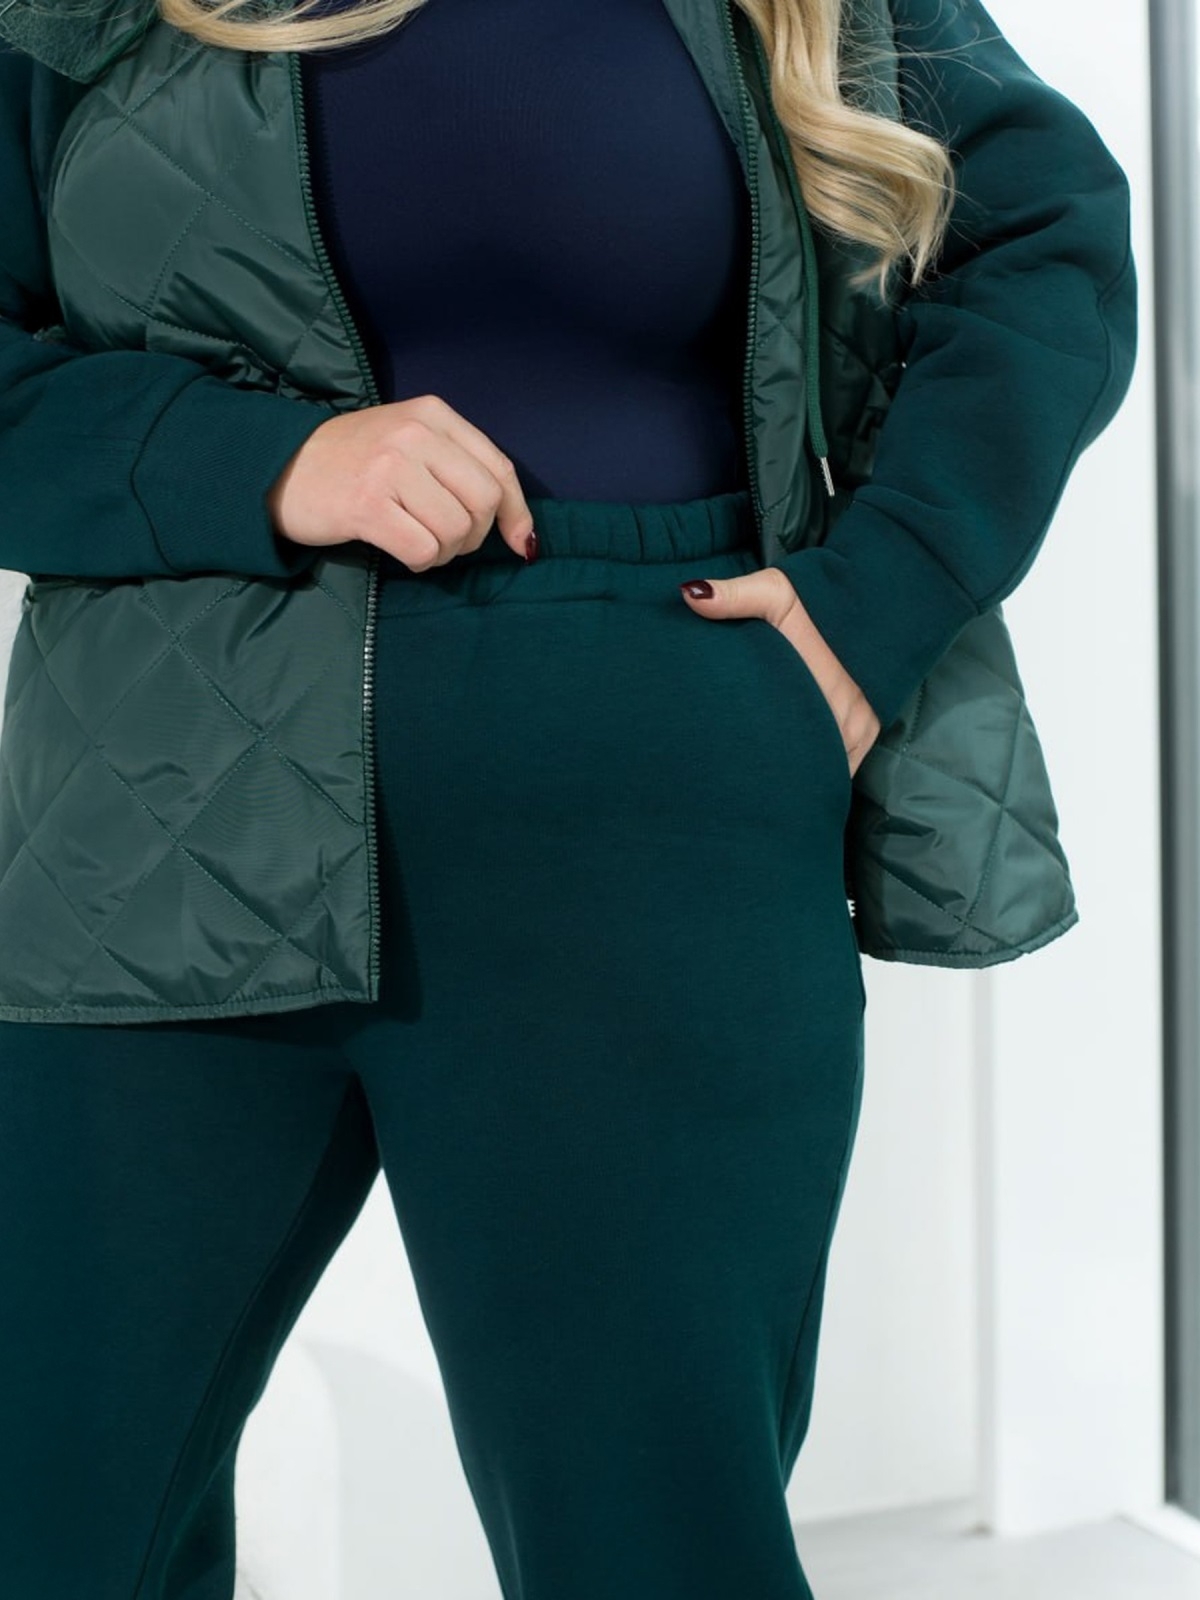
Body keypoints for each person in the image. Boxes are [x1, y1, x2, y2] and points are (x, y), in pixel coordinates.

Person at [0, 0, 1135, 1595]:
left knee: (654, 1545)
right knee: (45, 1526)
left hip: (653, 808)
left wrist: (879, 600)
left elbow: (1048, 235)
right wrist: (258, 462)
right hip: (142, 829)